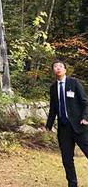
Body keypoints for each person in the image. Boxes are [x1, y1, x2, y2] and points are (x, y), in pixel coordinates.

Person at [45, 59, 88, 187]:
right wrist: (48, 126)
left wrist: (85, 117)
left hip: (80, 127)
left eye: (60, 66)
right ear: (53, 70)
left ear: (65, 70)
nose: (57, 68)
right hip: (64, 129)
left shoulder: (74, 83)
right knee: (67, 159)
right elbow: (53, 109)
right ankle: (72, 184)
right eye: (55, 66)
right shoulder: (53, 88)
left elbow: (85, 102)